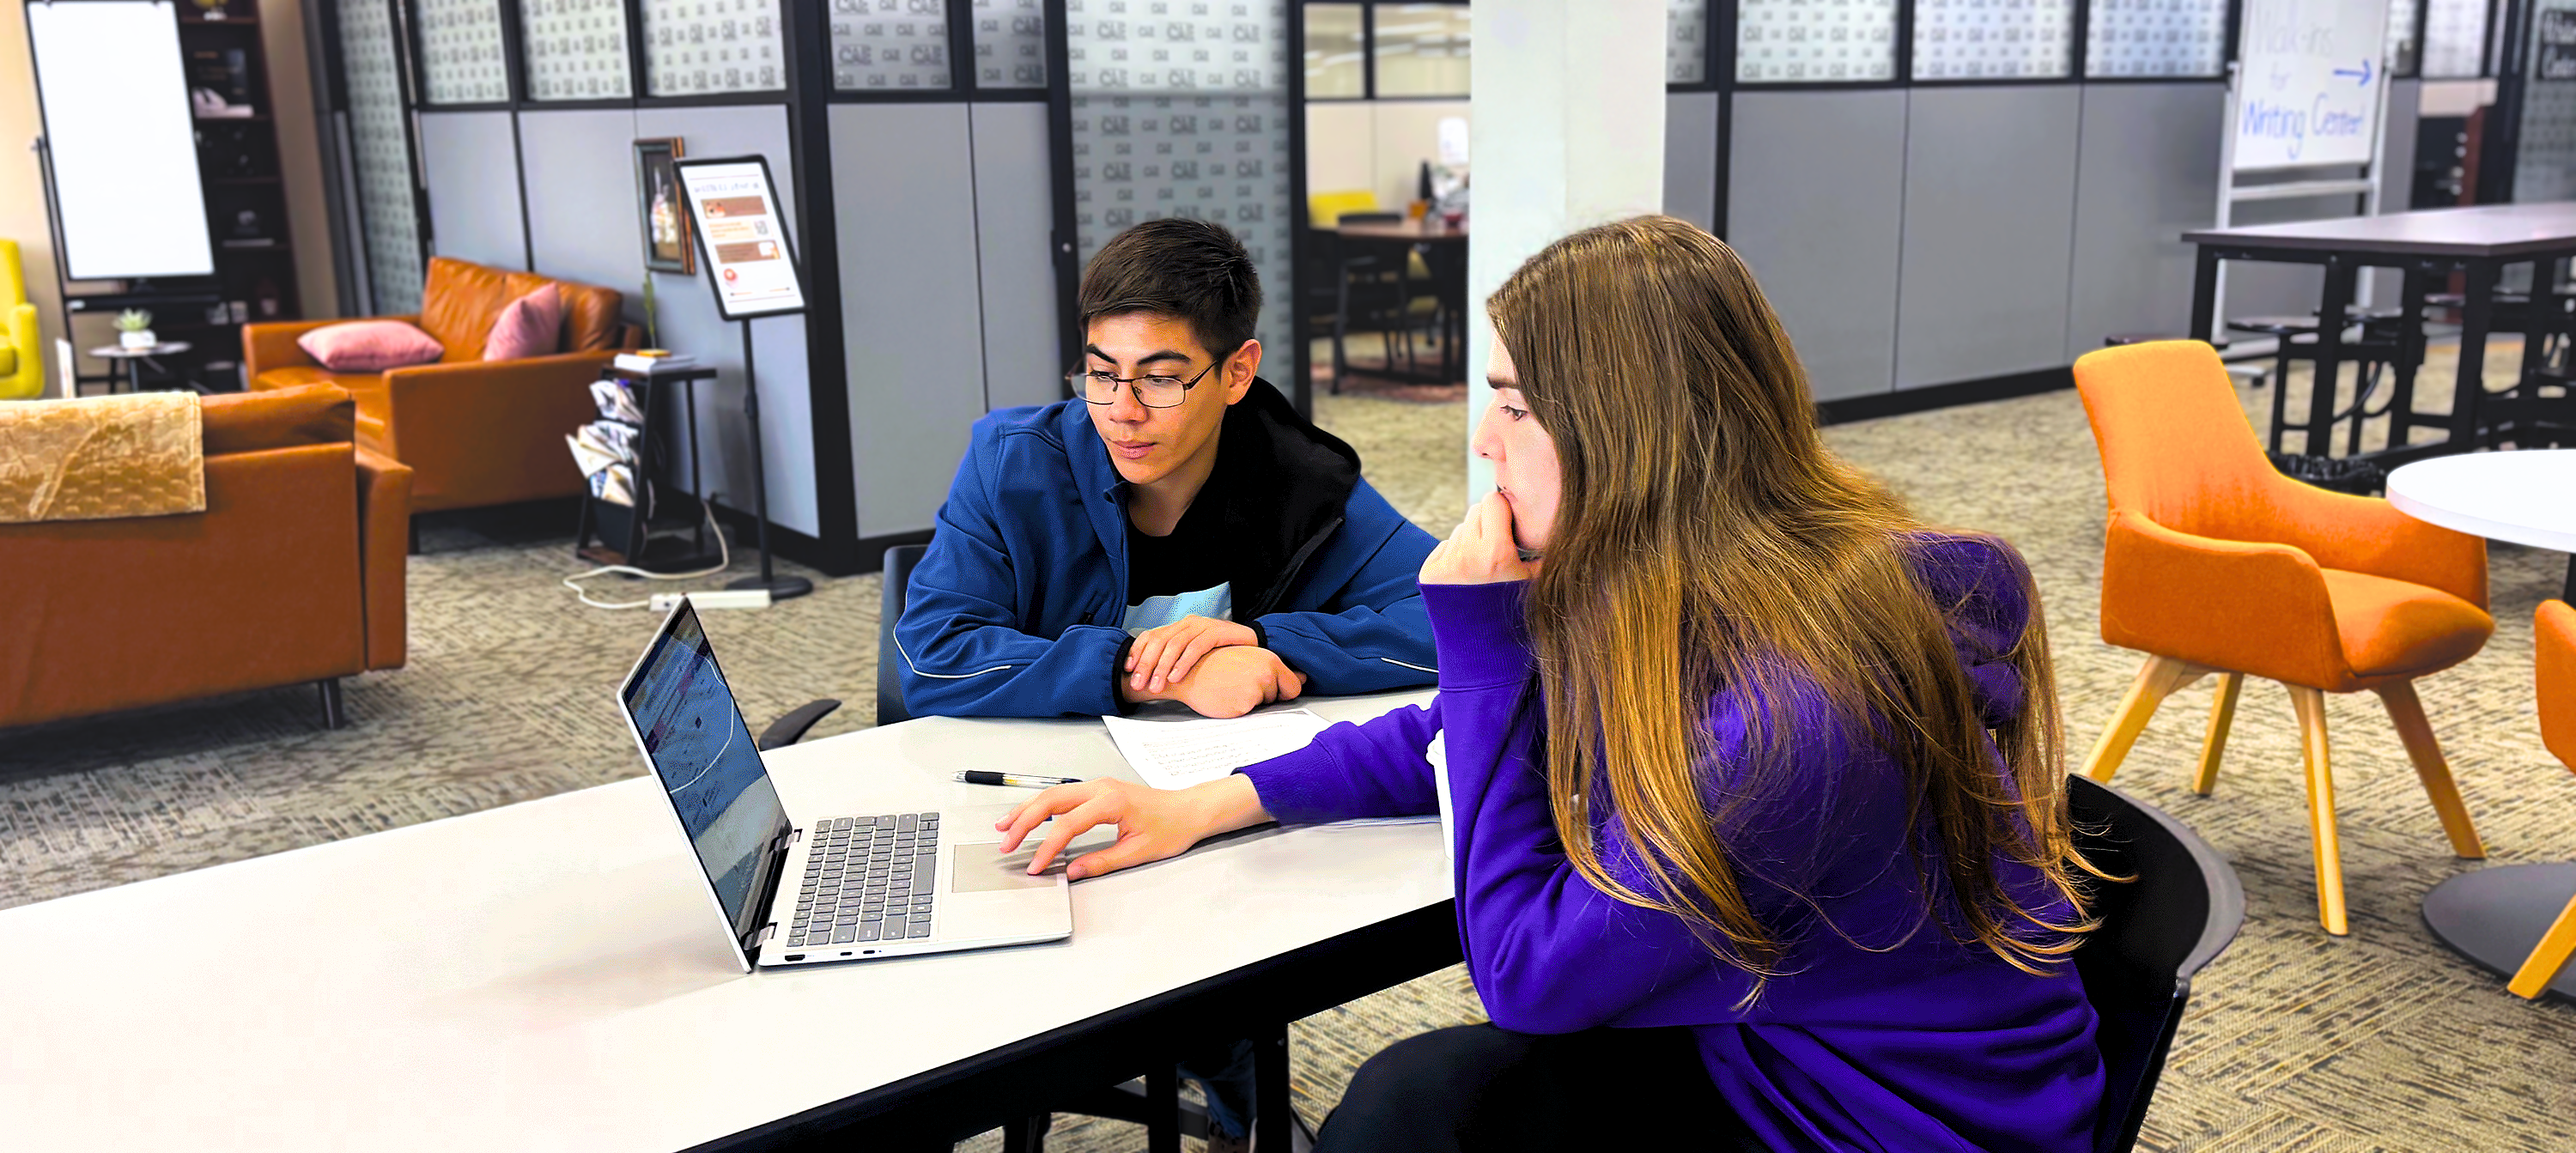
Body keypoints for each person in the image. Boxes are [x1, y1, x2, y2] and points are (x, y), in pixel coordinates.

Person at [987, 216, 2109, 1151]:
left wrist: (1483, 637)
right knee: (1415, 1101)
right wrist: (1204, 801)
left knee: (1412, 1113)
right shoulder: (1711, 585)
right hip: (1770, 1043)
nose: (1482, 438)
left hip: (1880, 1122)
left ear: (1631, 436)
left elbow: (1527, 975)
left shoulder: (1800, 709)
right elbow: (1449, 732)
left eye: (1516, 404)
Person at [892, 216, 1441, 720]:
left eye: (1160, 380)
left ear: (1238, 373)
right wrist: (1147, 675)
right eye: (1102, 375)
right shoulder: (1011, 465)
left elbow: (1458, 618)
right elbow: (932, 656)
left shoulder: (1305, 480)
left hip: (1225, 786)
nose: (1122, 413)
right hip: (1049, 782)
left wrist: (1260, 640)